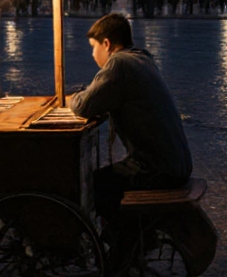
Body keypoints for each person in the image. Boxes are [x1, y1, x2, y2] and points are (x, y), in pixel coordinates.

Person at [69, 14, 193, 248]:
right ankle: (131, 236)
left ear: (107, 44)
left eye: (93, 48)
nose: (93, 55)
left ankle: (124, 244)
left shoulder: (119, 63)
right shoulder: (142, 58)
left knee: (94, 184)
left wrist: (71, 99)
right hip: (176, 163)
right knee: (107, 180)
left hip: (156, 168)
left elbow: (84, 105)